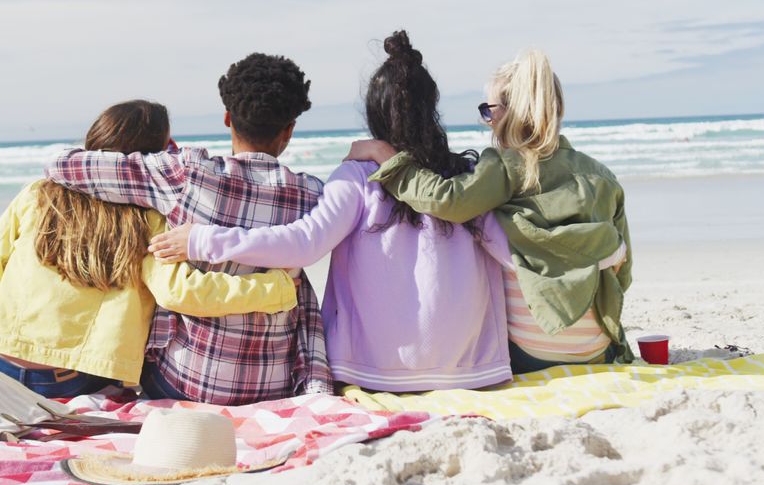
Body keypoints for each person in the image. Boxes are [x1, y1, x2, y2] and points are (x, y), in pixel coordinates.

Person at [147, 31, 514, 391]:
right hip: (471, 367)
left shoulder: (358, 176)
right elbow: (512, 254)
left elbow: (305, 243)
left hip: (375, 371)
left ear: (375, 113)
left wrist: (202, 240)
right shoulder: (467, 180)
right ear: (431, 108)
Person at [43, 55, 334, 405]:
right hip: (271, 389)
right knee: (298, 285)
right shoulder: (312, 195)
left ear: (228, 118)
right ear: (289, 129)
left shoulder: (186, 173)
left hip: (183, 385)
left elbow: (61, 164)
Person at [0, 100, 299, 398]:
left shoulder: (37, 194)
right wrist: (277, 288)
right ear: (158, 156)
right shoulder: (150, 217)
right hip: (70, 379)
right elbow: (180, 293)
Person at [348, 50, 634, 372]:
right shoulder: (602, 176)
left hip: (529, 353)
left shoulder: (506, 166)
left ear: (511, 113)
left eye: (488, 110)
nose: (487, 120)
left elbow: (448, 201)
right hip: (597, 348)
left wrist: (390, 160)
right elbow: (623, 272)